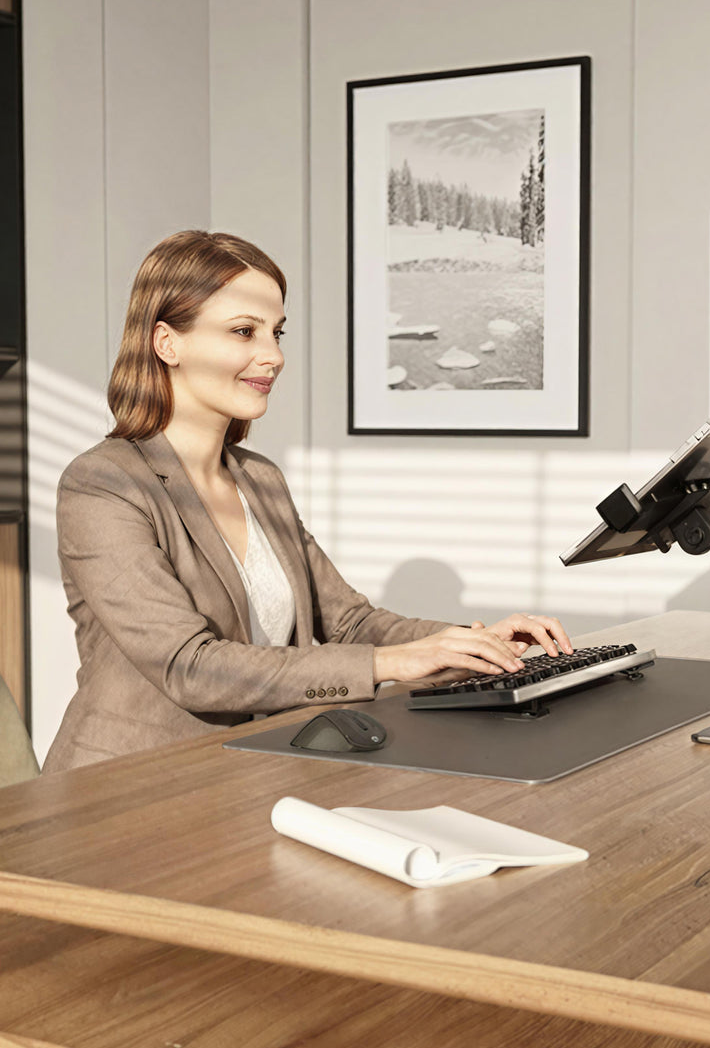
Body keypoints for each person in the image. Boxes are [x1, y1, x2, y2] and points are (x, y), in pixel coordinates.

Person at [44, 230, 571, 773]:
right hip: (125, 788)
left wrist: (462, 643)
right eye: (244, 331)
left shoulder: (260, 479)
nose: (272, 356)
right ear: (167, 343)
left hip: (247, 774)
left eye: (276, 332)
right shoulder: (103, 485)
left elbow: (346, 622)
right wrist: (393, 662)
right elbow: (190, 667)